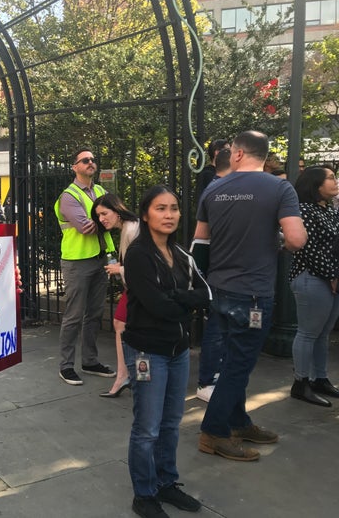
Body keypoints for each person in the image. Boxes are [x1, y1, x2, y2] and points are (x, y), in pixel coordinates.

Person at [195, 130, 307, 462]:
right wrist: (279, 241)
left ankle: (238, 421)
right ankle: (213, 433)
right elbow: (297, 240)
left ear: (239, 154)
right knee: (238, 367)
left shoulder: (214, 189)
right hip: (254, 294)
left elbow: (200, 245)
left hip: (220, 290)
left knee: (232, 361)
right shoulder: (279, 188)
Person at [123, 185, 210, 518]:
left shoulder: (183, 254)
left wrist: (180, 300)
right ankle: (144, 494)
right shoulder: (139, 254)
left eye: (174, 208)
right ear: (146, 214)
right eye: (161, 208)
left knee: (172, 423)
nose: (169, 214)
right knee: (147, 427)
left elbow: (205, 294)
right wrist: (184, 303)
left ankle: (166, 482)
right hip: (147, 351)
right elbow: (159, 306)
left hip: (178, 350)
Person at [54, 148, 116, 385]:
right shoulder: (68, 196)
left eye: (93, 159)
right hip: (77, 262)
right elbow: (85, 228)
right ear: (74, 167)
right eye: (85, 160)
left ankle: (90, 361)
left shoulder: (100, 190)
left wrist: (107, 220)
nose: (91, 162)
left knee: (95, 314)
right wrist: (106, 220)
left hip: (100, 259)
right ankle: (66, 366)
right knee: (74, 315)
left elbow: (115, 217)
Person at [289, 166, 339, 407]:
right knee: (308, 333)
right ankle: (300, 383)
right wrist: (331, 275)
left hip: (331, 278)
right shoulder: (303, 210)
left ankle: (319, 378)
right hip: (311, 278)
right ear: (315, 184)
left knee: (322, 333)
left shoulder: (329, 210)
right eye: (330, 178)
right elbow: (309, 249)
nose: (335, 181)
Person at [90, 193, 140, 397]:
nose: (101, 219)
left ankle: (126, 376)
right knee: (120, 323)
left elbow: (141, 266)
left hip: (139, 288)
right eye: (98, 216)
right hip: (136, 288)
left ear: (117, 209)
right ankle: (125, 375)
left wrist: (120, 270)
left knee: (122, 324)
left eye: (104, 213)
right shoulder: (130, 227)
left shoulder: (132, 229)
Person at [195, 146, 232, 403]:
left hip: (223, 270)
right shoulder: (219, 190)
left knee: (223, 328)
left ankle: (214, 377)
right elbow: (202, 239)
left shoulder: (224, 189)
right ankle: (208, 380)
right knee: (218, 328)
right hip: (221, 271)